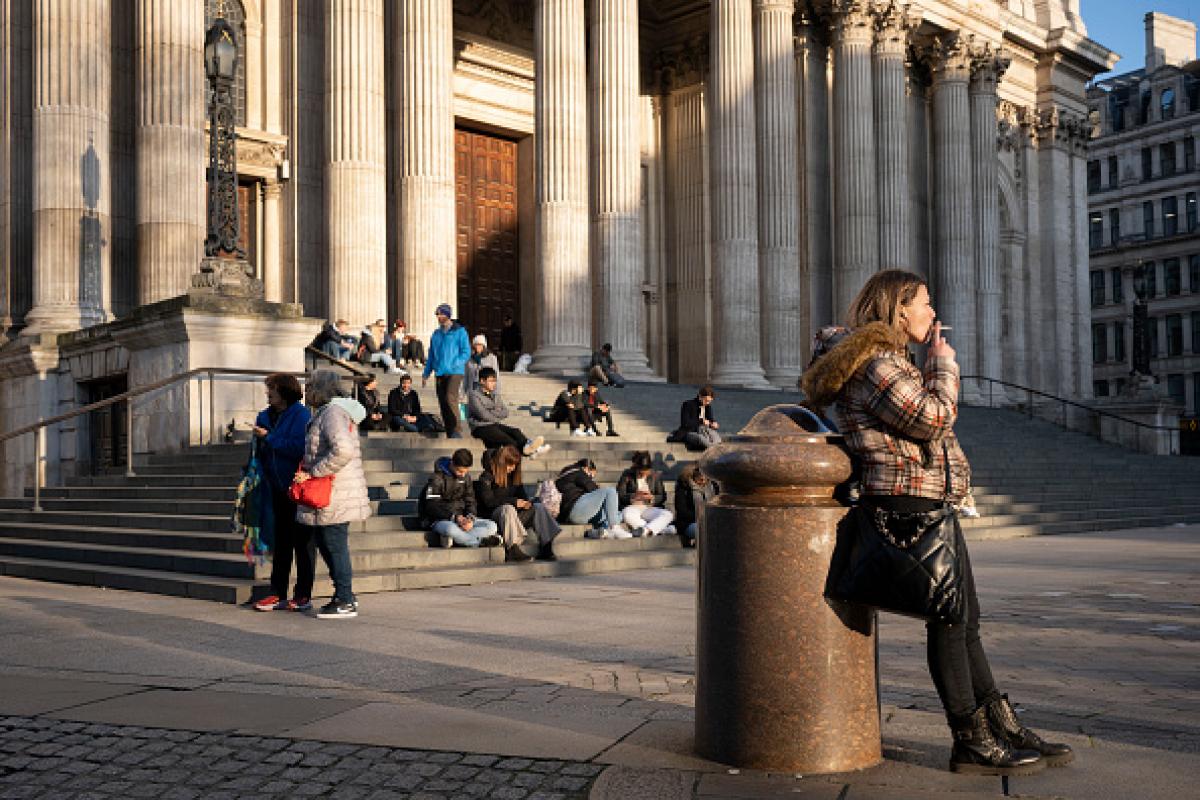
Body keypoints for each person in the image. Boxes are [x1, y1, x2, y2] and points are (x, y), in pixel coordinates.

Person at [800, 268, 1071, 776]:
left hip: (927, 502)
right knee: (948, 623)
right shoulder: (873, 362)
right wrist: (944, 368)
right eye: (925, 302)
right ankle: (970, 738)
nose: (933, 312)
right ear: (899, 307)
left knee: (965, 621)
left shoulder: (887, 360)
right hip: (905, 507)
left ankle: (1000, 725)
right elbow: (931, 419)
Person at [294, 370, 371, 619]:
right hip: (335, 491)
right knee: (329, 543)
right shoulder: (331, 412)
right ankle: (344, 595)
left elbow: (343, 450)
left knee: (334, 544)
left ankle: (345, 598)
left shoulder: (332, 413)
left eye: (310, 386)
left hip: (335, 491)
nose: (306, 392)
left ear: (321, 388)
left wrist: (313, 472)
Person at [252, 374, 316, 612]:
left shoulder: (301, 415)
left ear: (284, 392)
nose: (268, 394)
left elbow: (300, 448)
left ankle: (302, 595)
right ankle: (276, 592)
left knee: (302, 543)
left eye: (272, 390)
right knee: (281, 544)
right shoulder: (264, 415)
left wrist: (269, 437)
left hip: (297, 487)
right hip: (273, 487)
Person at [475, 445, 561, 562]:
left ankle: (546, 545)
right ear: (502, 463)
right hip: (496, 519)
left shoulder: (513, 477)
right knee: (508, 508)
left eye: (515, 465)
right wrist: (514, 502)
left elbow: (523, 497)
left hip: (513, 519)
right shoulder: (486, 477)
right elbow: (488, 502)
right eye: (510, 465)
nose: (513, 468)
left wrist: (527, 503)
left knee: (538, 507)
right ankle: (512, 549)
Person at [420, 448, 501, 549]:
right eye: (459, 471)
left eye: (465, 472)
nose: (462, 475)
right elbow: (431, 506)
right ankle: (479, 541)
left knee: (492, 526)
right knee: (451, 529)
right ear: (452, 463)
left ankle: (457, 539)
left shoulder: (466, 478)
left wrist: (470, 519)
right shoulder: (436, 479)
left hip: (462, 518)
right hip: (441, 519)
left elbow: (470, 501)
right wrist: (454, 517)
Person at [467, 367, 549, 457]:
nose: (493, 384)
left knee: (515, 432)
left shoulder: (495, 395)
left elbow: (505, 412)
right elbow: (483, 414)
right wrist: (495, 412)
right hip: (480, 427)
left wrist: (491, 411)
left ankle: (532, 449)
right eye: (491, 381)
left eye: (495, 381)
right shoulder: (474, 395)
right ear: (482, 381)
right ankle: (531, 452)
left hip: (493, 425)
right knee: (508, 440)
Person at [423, 303, 472, 438]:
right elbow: (432, 354)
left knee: (451, 398)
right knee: (442, 401)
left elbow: (466, 351)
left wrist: (455, 363)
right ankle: (449, 430)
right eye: (437, 314)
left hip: (455, 372)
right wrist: (426, 373)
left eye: (441, 314)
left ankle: (457, 429)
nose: (438, 317)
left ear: (448, 315)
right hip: (440, 372)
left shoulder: (460, 331)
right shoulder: (436, 334)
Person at [554, 458, 631, 539]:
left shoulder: (564, 475)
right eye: (590, 476)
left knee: (616, 514)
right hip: (576, 508)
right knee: (610, 491)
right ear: (586, 468)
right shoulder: (578, 472)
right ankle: (615, 528)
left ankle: (596, 532)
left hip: (572, 516)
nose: (590, 478)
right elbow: (593, 488)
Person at [615, 451, 674, 537]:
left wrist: (652, 497)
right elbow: (620, 494)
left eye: (646, 471)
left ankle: (646, 530)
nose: (644, 473)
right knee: (627, 515)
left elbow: (662, 496)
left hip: (649, 508)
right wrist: (633, 496)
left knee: (668, 515)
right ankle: (660, 530)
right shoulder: (627, 474)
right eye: (641, 471)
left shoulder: (655, 476)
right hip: (633, 507)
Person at [674, 463, 717, 549]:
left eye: (706, 480)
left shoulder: (713, 487)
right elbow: (682, 511)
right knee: (703, 529)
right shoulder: (684, 488)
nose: (703, 482)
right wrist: (700, 516)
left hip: (710, 521)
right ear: (694, 478)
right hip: (690, 523)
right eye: (700, 480)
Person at [677, 386, 721, 451]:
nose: (708, 403)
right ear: (700, 397)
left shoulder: (707, 407)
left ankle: (713, 447)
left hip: (704, 431)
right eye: (706, 400)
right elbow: (685, 423)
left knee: (717, 438)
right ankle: (714, 449)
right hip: (690, 432)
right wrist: (701, 421)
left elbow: (711, 419)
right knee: (700, 438)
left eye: (710, 401)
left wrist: (714, 424)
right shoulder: (688, 404)